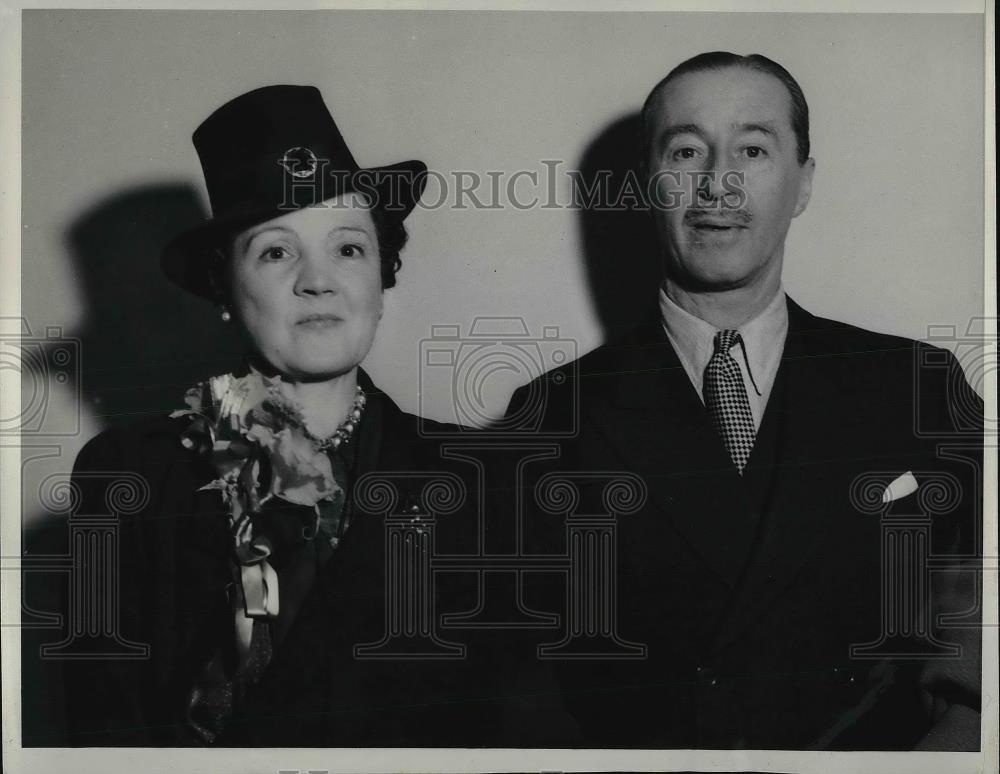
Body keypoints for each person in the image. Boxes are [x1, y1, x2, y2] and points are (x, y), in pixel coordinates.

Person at [503, 53, 983, 750]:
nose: (718, 183)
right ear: (648, 185)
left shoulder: (920, 387)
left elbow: (976, 677)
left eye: (752, 150)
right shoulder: (548, 418)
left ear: (803, 184)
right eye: (687, 151)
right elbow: (524, 701)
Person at [61, 85, 487, 746]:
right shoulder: (128, 478)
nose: (319, 280)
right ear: (224, 288)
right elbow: (103, 734)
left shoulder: (478, 480)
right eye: (275, 251)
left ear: (382, 275)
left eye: (348, 247)